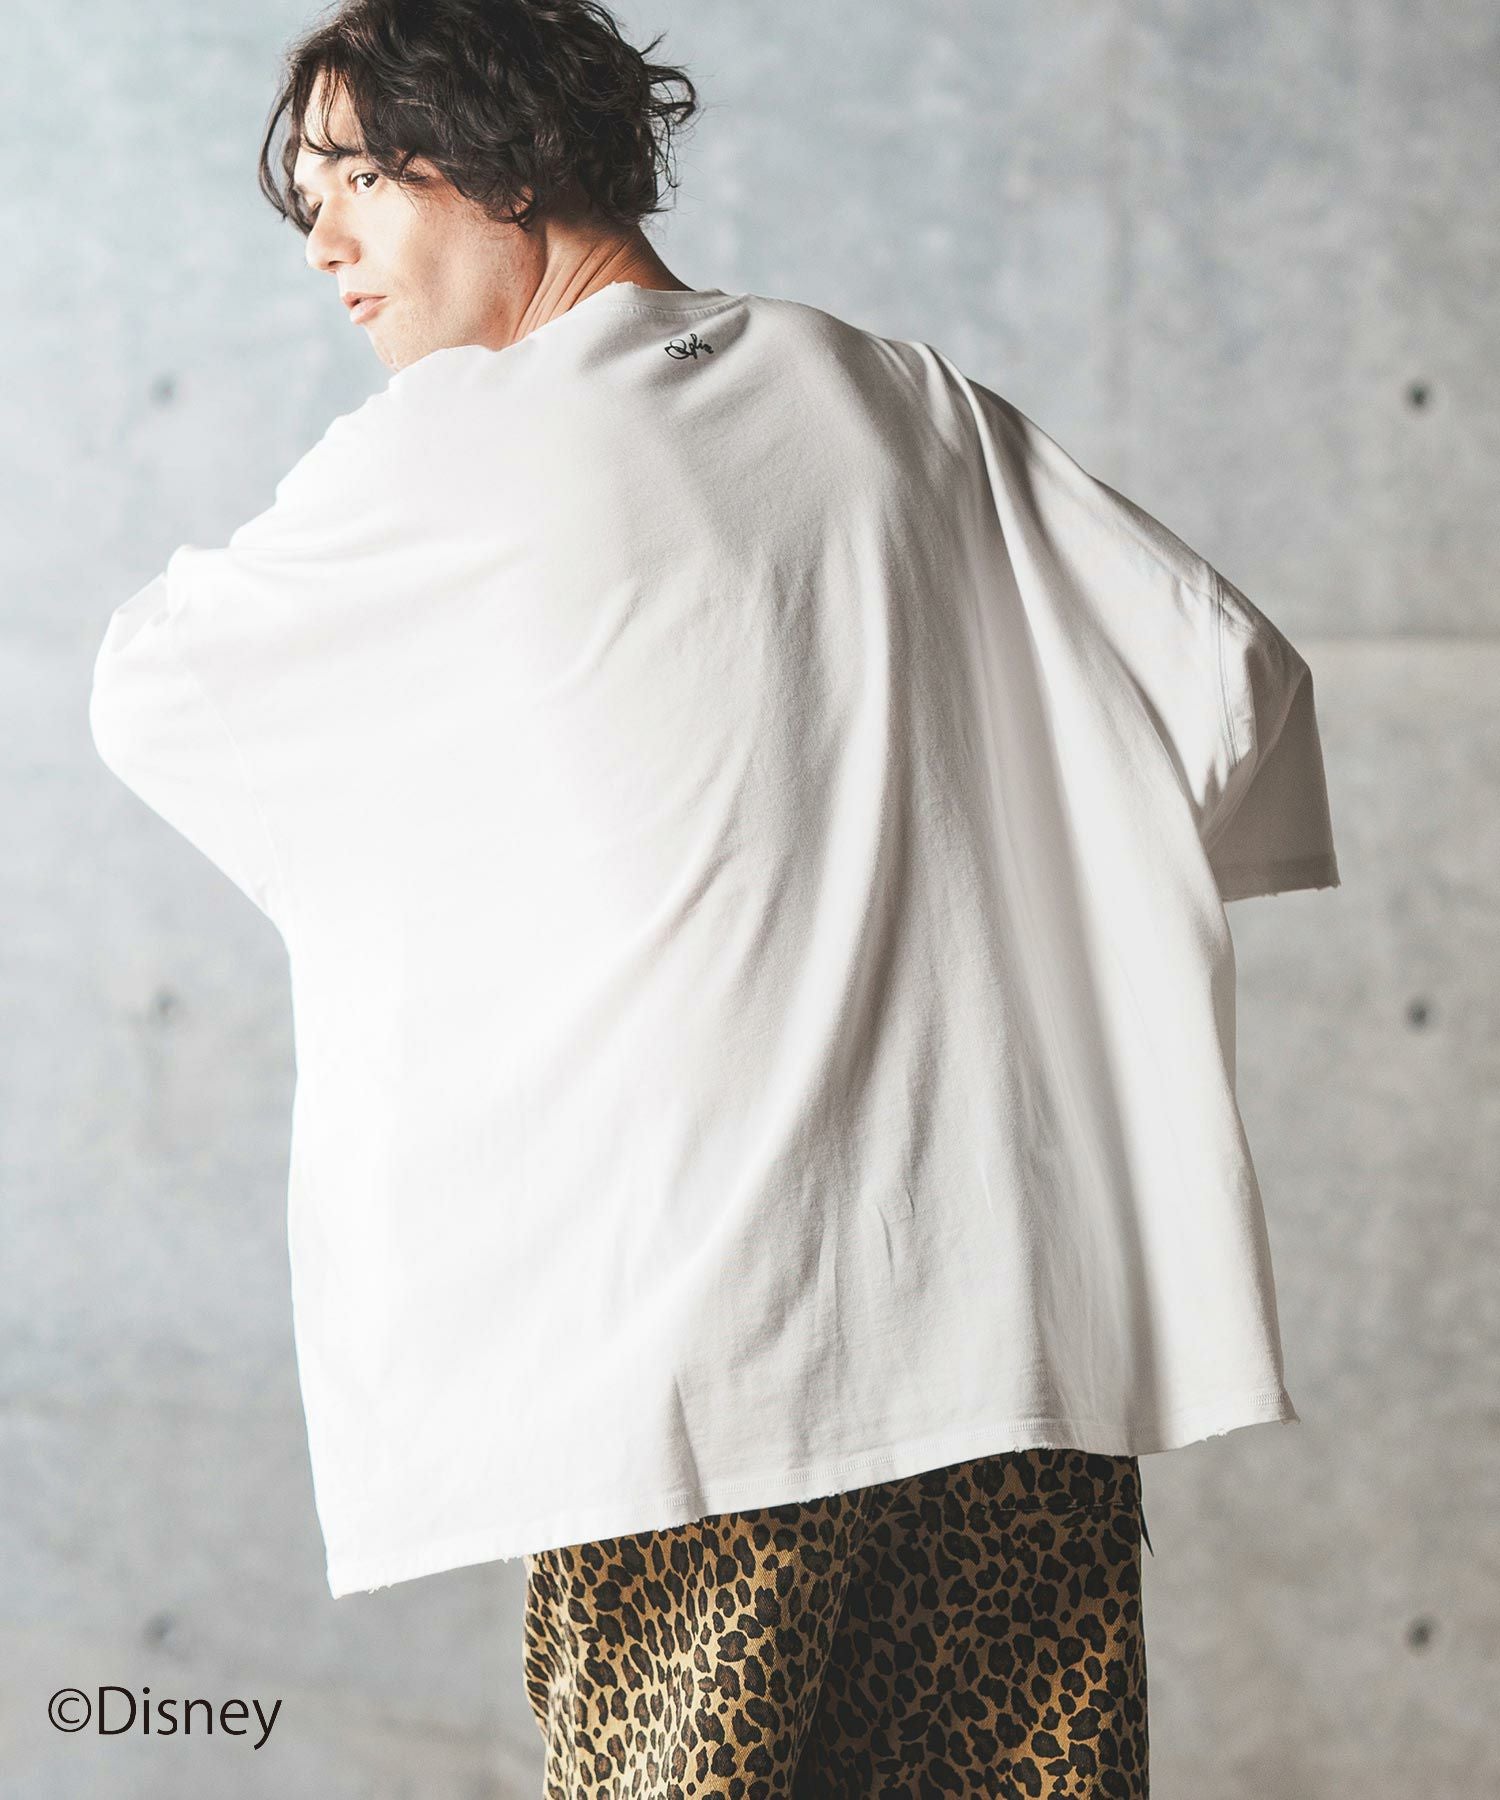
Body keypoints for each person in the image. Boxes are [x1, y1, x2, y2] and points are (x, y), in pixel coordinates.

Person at [87, 3, 1341, 1794]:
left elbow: (157, 689)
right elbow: (1231, 688)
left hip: (701, 1381)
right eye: (311, 196)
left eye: (359, 176)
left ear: (506, 158)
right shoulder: (900, 398)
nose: (324, 241)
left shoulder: (450, 455)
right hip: (1007, 1343)